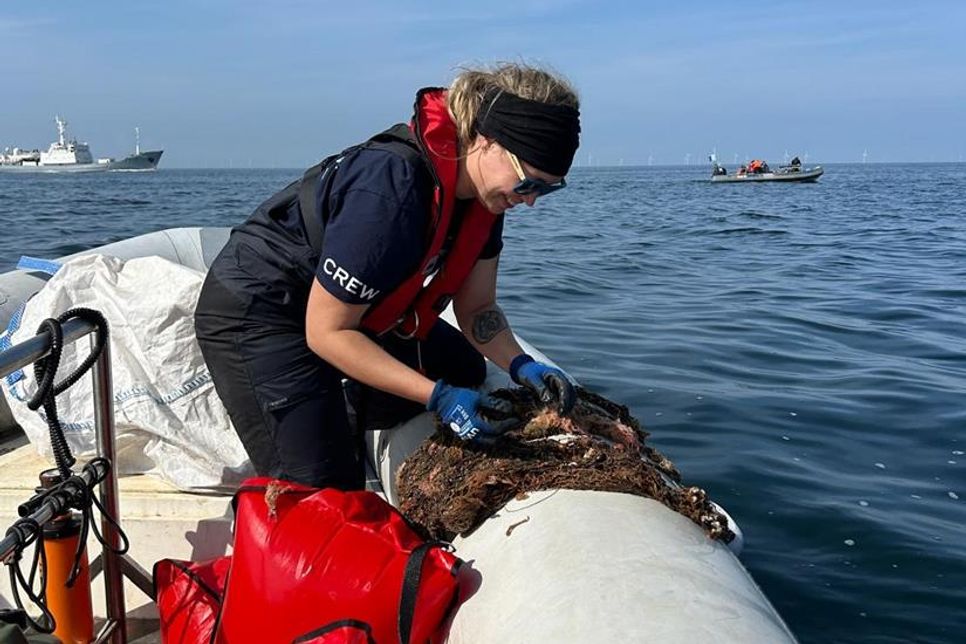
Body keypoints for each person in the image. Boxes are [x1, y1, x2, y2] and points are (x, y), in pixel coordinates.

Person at [194, 63, 581, 490]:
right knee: (328, 491)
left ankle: (346, 401)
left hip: (354, 312)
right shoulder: (391, 192)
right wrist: (439, 398)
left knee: (462, 366)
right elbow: (327, 332)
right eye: (529, 183)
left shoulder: (488, 201)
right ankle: (313, 420)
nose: (530, 202)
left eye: (547, 190)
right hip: (262, 310)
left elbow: (478, 310)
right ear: (487, 141)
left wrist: (521, 364)